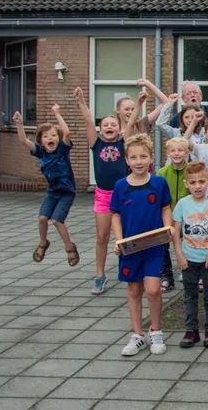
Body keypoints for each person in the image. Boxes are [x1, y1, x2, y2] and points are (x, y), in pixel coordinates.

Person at [111, 134, 172, 356]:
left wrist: (168, 228)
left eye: (143, 156)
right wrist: (118, 240)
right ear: (126, 160)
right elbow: (115, 215)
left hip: (154, 246)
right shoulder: (120, 186)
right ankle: (138, 335)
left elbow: (166, 208)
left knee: (153, 290)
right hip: (130, 247)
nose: (139, 161)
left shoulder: (159, 183)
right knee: (134, 290)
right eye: (134, 157)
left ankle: (156, 331)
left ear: (151, 158)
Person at [74, 86, 128, 294]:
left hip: (124, 194)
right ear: (100, 128)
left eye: (113, 124)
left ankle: (128, 268)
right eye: (105, 124)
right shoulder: (95, 143)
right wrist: (81, 101)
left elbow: (130, 124)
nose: (109, 126)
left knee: (126, 234)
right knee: (102, 236)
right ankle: (99, 275)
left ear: (118, 127)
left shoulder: (124, 142)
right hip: (104, 195)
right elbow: (88, 120)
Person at [14, 106, 79, 268]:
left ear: (58, 138)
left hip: (67, 192)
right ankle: (43, 243)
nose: (50, 138)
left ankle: (69, 248)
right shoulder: (41, 153)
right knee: (42, 218)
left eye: (53, 135)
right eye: (46, 136)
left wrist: (57, 113)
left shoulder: (62, 151)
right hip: (52, 192)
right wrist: (20, 124)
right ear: (41, 141)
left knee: (57, 220)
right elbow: (23, 140)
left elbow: (67, 133)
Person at [172, 161, 208, 349]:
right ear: (186, 184)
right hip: (189, 258)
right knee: (189, 296)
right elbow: (175, 232)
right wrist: (179, 255)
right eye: (193, 182)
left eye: (201, 181)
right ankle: (191, 330)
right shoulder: (182, 205)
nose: (197, 186)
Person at [157, 137, 192, 292]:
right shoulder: (162, 172)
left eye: (180, 150)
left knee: (189, 243)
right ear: (168, 153)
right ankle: (166, 276)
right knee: (163, 244)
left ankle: (189, 272)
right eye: (173, 150)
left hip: (188, 215)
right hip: (167, 213)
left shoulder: (191, 170)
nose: (177, 153)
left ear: (187, 153)